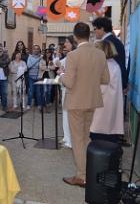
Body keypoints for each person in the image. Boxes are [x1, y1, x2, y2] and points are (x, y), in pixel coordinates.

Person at [59, 22, 110, 188]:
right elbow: (105, 79)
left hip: (76, 102)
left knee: (77, 140)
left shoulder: (73, 55)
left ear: (75, 36)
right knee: (86, 137)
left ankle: (81, 176)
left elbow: (69, 82)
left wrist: (61, 75)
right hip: (92, 101)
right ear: (90, 35)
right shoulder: (100, 54)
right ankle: (89, 171)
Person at [90, 40, 124, 143]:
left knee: (98, 133)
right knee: (110, 131)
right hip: (111, 103)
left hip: (101, 104)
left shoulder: (102, 65)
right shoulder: (114, 64)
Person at [92, 17, 127, 91]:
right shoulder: (114, 41)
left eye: (95, 29)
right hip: (116, 82)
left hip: (110, 84)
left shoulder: (106, 43)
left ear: (102, 28)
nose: (94, 31)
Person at [57, 35, 77, 149]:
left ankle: (70, 140)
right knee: (65, 114)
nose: (65, 44)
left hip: (69, 89)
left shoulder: (72, 56)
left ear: (72, 43)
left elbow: (68, 74)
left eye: (66, 42)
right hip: (65, 88)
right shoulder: (69, 55)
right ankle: (66, 137)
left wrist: (61, 73)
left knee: (68, 114)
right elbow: (58, 64)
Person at [26, 45, 42, 110]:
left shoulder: (41, 57)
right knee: (31, 92)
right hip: (31, 77)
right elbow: (28, 66)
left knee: (38, 92)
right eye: (34, 49)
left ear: (39, 50)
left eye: (37, 49)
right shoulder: (29, 57)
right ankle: (28, 104)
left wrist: (34, 65)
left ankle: (39, 104)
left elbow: (40, 66)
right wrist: (37, 63)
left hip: (38, 77)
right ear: (32, 50)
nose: (36, 50)